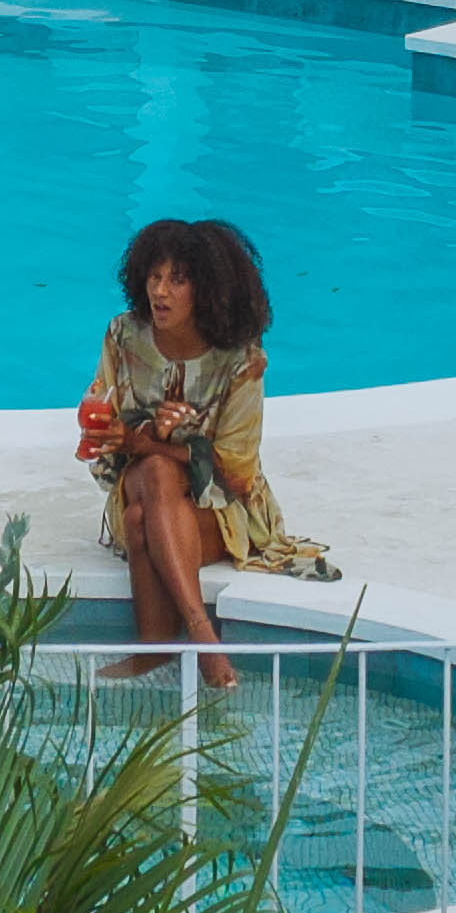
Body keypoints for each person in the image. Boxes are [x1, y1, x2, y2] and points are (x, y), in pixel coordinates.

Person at [76, 216, 336, 653]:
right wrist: (133, 436)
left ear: (208, 291)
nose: (159, 291)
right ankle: (202, 637)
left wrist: (150, 443)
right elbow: (107, 441)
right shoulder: (124, 336)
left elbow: (236, 475)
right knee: (155, 472)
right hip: (142, 487)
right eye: (154, 277)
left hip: (220, 513)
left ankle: (154, 654)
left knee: (145, 512)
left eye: (177, 281)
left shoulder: (241, 361)